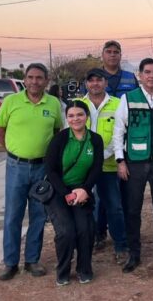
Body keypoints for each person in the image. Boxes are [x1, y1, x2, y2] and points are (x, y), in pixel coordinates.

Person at [0, 63, 63, 281]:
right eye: (31, 77)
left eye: (39, 78)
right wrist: (13, 151)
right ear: (25, 79)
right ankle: (10, 262)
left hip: (42, 168)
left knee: (38, 215)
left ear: (46, 80)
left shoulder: (53, 103)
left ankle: (32, 260)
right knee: (13, 215)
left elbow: (57, 130)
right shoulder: (11, 102)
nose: (35, 81)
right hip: (16, 167)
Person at [112, 58, 153, 273]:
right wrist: (120, 160)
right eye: (147, 72)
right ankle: (134, 254)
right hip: (135, 163)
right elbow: (118, 132)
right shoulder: (128, 99)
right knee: (133, 210)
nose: (151, 76)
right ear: (139, 75)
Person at [44, 100, 104, 286]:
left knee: (85, 230)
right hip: (59, 191)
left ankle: (84, 269)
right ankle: (62, 271)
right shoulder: (60, 139)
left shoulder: (95, 139)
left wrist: (85, 190)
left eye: (79, 114)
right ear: (66, 118)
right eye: (71, 115)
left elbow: (96, 168)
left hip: (82, 191)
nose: (75, 118)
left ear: (87, 116)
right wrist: (65, 193)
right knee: (66, 231)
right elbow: (50, 170)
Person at [79, 68, 128, 264]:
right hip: (83, 167)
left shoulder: (117, 104)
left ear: (106, 83)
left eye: (99, 80)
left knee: (114, 207)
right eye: (91, 81)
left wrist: (108, 155)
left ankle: (121, 245)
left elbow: (123, 133)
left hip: (109, 165)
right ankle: (91, 239)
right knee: (85, 206)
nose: (95, 84)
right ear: (86, 84)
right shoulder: (78, 105)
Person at [98, 40, 138, 248]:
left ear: (120, 55)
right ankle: (99, 233)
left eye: (116, 52)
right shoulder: (94, 77)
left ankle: (124, 234)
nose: (113, 55)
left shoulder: (130, 79)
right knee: (100, 197)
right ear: (102, 55)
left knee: (124, 193)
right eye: (109, 52)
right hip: (100, 147)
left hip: (127, 143)